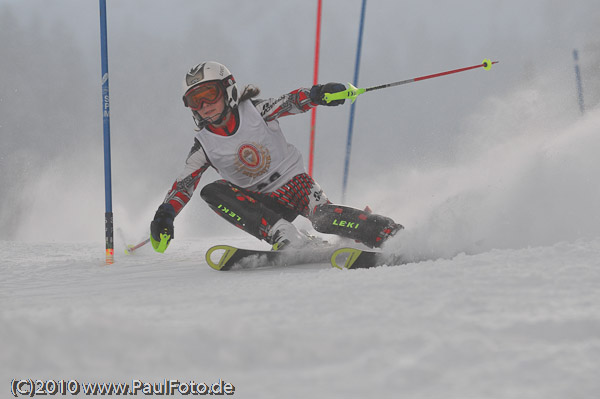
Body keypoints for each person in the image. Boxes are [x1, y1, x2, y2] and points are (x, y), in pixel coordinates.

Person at [150, 61, 402, 253]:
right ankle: (284, 235)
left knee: (324, 219)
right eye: (195, 100)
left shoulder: (256, 111)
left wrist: (319, 94)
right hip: (259, 203)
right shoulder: (204, 145)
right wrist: (165, 214)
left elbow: (291, 101)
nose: (204, 105)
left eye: (209, 95)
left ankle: (385, 231)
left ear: (227, 90)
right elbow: (183, 185)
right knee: (212, 192)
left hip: (296, 184)